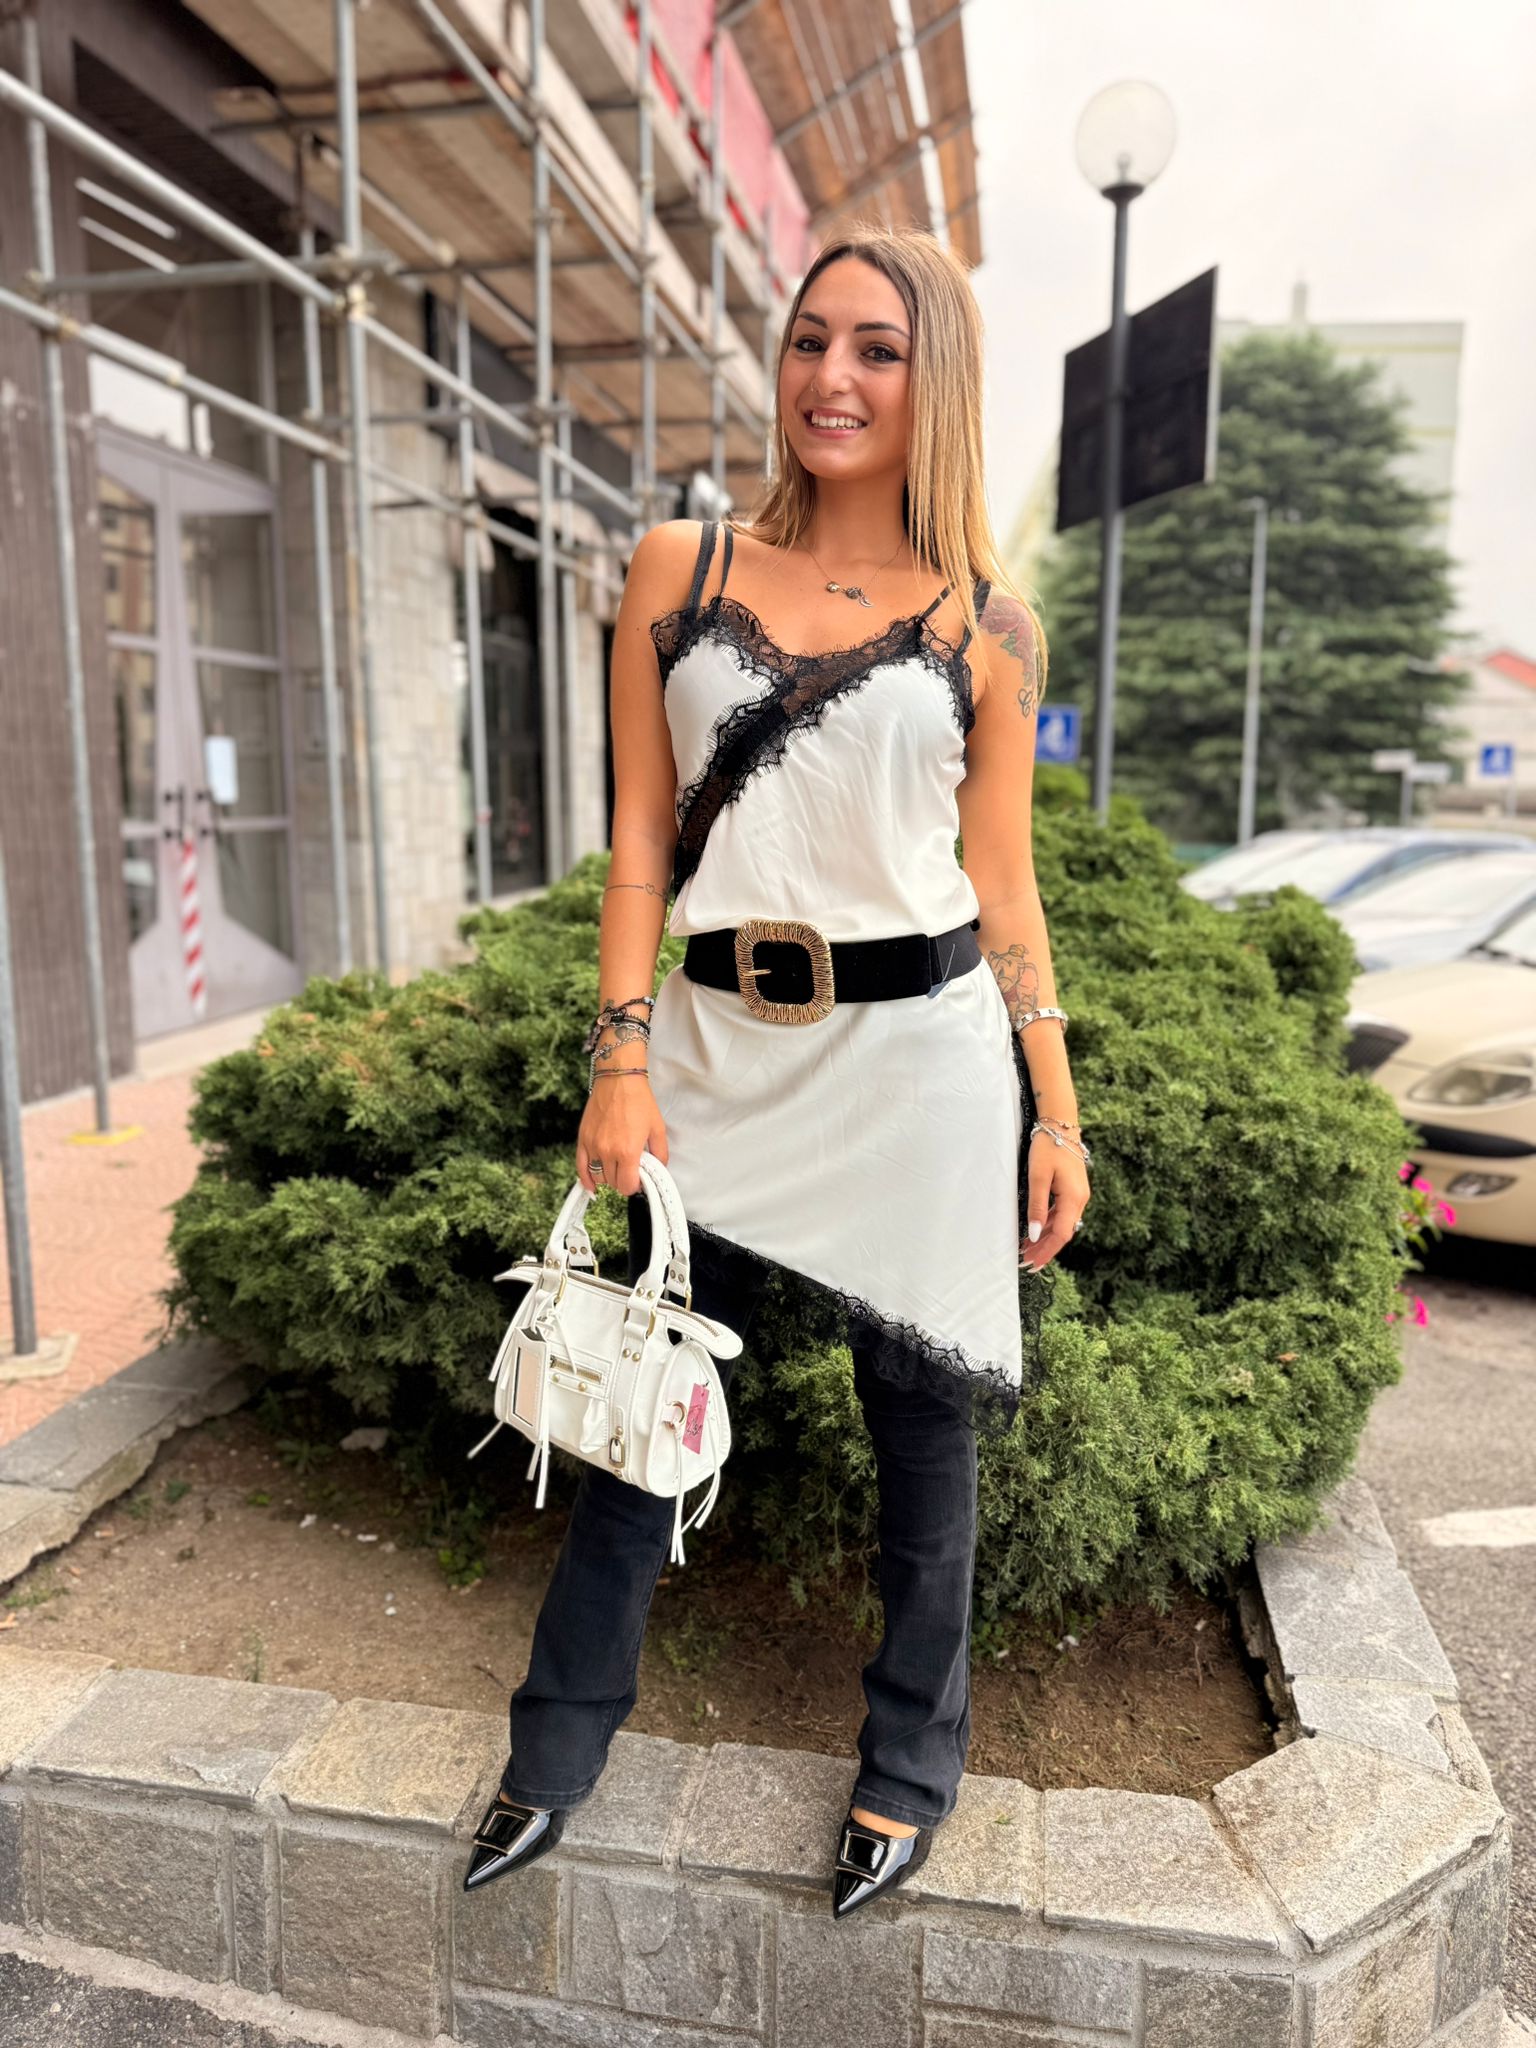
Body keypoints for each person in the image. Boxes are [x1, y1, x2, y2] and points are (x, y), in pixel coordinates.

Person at [464, 223, 1091, 1917]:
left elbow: (1005, 883)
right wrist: (619, 1054)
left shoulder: (990, 627)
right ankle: (555, 1743)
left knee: (923, 1433)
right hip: (715, 1055)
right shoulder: (679, 566)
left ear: (936, 380)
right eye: (813, 339)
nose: (833, 376)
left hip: (924, 1062)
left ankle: (910, 1764)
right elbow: (638, 841)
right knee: (639, 1400)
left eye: (879, 348)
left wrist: (1055, 1103)